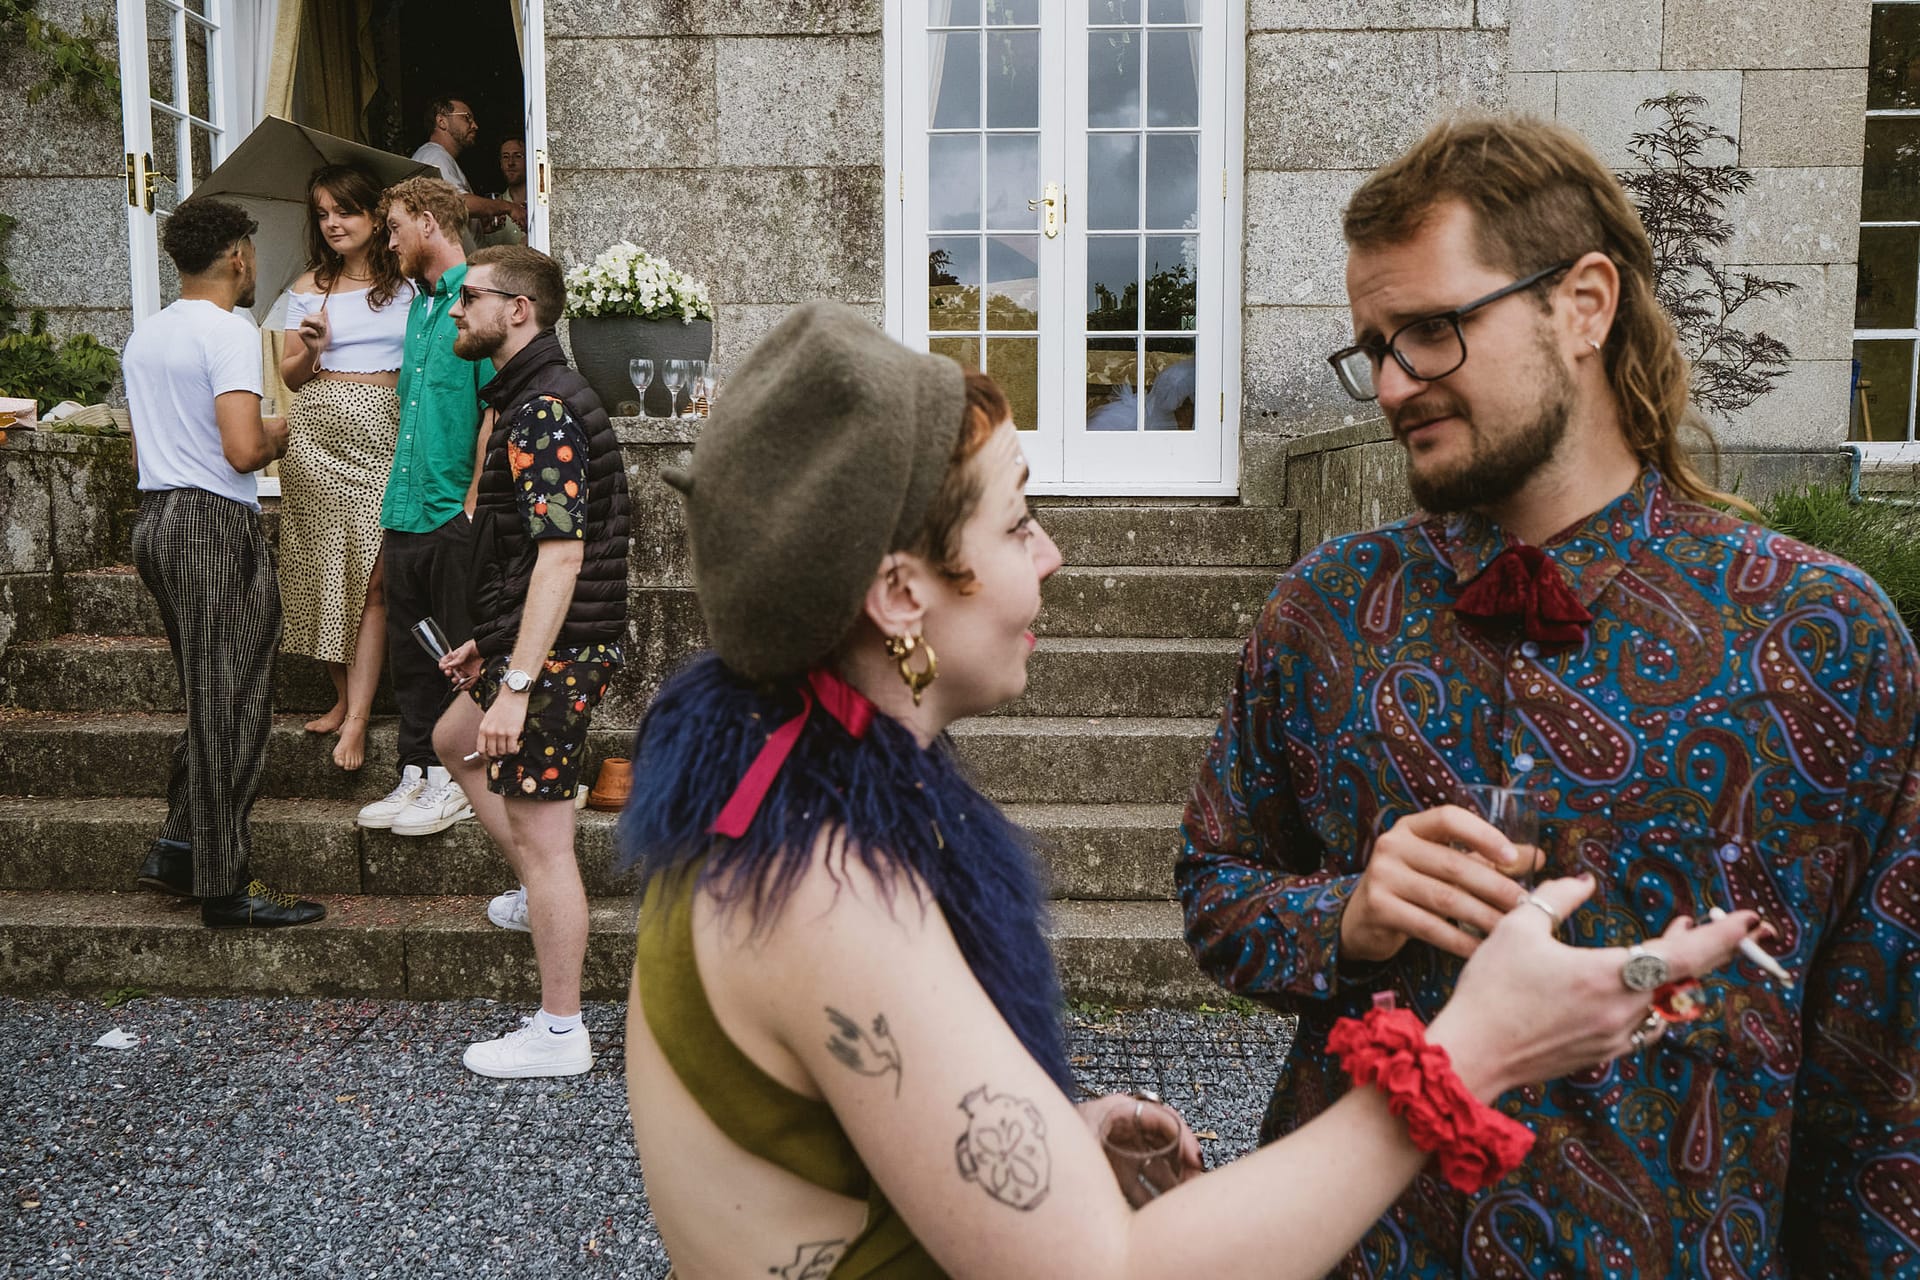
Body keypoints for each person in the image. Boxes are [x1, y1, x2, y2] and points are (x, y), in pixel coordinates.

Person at [612, 300, 1764, 1278]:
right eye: (1017, 520)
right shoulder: (827, 885)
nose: (1051, 552)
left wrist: (1052, 1140)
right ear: (903, 594)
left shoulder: (770, 812)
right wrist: (1472, 1051)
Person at [1178, 115, 1920, 1275]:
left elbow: (1884, 1084)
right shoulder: (1324, 614)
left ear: (1583, 303)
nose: (1389, 384)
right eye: (1373, 345)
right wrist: (1351, 917)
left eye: (1429, 330)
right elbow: (1216, 887)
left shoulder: (1823, 636)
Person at [433, 245, 629, 1076]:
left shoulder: (543, 407)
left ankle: (559, 1030)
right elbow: (531, 557)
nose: (454, 311)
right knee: (452, 738)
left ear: (519, 310)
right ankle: (542, 898)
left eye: (468, 297)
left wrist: (516, 684)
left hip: (561, 655)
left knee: (546, 838)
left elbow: (561, 557)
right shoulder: (528, 397)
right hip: (541, 639)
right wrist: (496, 641)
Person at [123, 196, 324, 928]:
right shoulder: (231, 331)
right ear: (238, 256)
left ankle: (179, 846)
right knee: (235, 703)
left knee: (212, 695)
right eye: (251, 251)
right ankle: (224, 882)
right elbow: (242, 450)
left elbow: (148, 450)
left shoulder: (147, 337)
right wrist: (279, 431)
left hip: (158, 522)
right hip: (212, 523)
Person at [355, 177, 491, 837]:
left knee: (454, 653)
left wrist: (471, 503)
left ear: (430, 222)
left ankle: (456, 778)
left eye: (395, 227)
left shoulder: (480, 298)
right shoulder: (417, 308)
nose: (389, 241)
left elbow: (496, 408)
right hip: (405, 508)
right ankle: (416, 772)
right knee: (413, 655)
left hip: (451, 512)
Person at [277, 164, 416, 771]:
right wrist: (312, 345)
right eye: (323, 213)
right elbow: (289, 375)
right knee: (325, 572)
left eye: (345, 212)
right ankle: (342, 700)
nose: (332, 223)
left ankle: (358, 720)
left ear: (373, 215)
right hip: (315, 440)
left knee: (373, 579)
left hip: (384, 437)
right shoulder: (309, 284)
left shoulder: (411, 284)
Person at [410, 96, 525, 237]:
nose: (475, 125)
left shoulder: (436, 156)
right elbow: (458, 202)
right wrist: (509, 207)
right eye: (467, 118)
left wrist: (477, 227)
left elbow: (445, 212)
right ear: (442, 121)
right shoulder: (435, 156)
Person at [477, 136, 528, 248]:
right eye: (505, 157)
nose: (510, 163)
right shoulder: (493, 209)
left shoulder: (539, 207)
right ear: (500, 164)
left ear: (529, 160)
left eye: (517, 156)